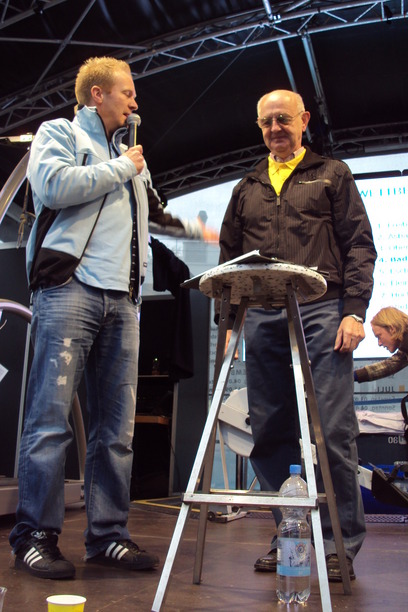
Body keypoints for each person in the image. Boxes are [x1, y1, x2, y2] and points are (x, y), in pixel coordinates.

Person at [9, 56, 212, 580]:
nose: (136, 102)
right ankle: (34, 536)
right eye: (128, 93)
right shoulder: (59, 134)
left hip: (123, 302)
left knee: (116, 430)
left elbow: (155, 213)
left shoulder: (130, 158)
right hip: (69, 291)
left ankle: (107, 536)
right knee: (49, 422)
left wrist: (204, 231)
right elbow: (52, 186)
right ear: (97, 94)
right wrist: (123, 167)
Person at [218, 89, 377, 582]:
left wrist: (354, 311)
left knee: (332, 431)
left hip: (322, 310)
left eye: (283, 119)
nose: (275, 129)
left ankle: (337, 544)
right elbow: (228, 258)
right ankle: (290, 537)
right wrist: (229, 324)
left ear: (304, 120)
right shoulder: (246, 186)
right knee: (268, 432)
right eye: (267, 122)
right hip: (262, 315)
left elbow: (359, 245)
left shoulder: (332, 174)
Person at [354, 307, 408, 382]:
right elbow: (389, 366)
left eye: (379, 336)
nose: (379, 343)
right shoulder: (405, 349)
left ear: (391, 329)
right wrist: (355, 376)